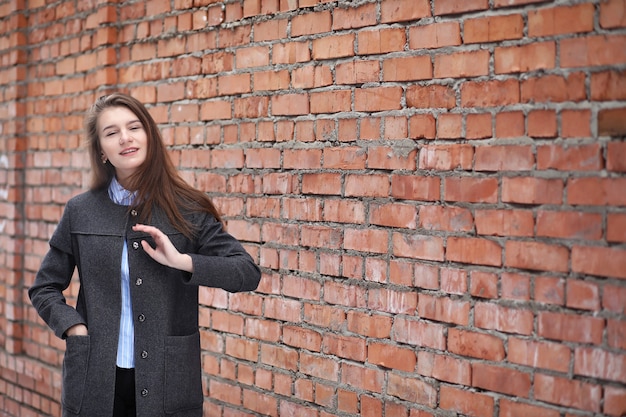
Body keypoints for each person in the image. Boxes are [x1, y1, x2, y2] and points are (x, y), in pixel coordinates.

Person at [29, 93, 262, 417]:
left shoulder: (187, 208)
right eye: (111, 132)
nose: (125, 138)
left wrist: (181, 260)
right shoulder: (81, 211)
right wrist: (74, 328)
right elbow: (44, 287)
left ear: (149, 135)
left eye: (134, 127)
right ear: (101, 150)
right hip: (94, 379)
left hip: (167, 382)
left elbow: (246, 272)